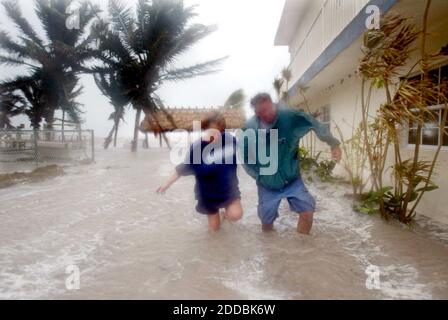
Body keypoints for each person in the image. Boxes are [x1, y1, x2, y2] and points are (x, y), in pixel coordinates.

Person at [239, 93, 342, 235]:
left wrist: (333, 143)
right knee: (267, 225)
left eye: (270, 109)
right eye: (263, 112)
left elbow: (313, 123)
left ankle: (301, 252)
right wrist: (259, 177)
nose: (269, 114)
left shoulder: (289, 116)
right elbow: (245, 158)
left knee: (307, 212)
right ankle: (273, 253)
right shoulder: (249, 129)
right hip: (267, 185)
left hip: (292, 179)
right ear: (256, 113)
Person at [157, 111, 243, 232]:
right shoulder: (197, 147)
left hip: (228, 190)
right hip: (207, 193)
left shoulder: (231, 141)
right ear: (204, 130)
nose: (215, 135)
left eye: (219, 131)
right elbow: (181, 169)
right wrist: (166, 184)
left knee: (236, 215)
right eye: (211, 131)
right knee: (214, 230)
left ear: (223, 130)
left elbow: (246, 150)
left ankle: (225, 216)